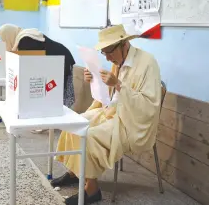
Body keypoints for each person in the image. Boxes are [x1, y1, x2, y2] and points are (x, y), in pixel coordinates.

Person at [51, 24, 162, 205]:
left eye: (109, 51)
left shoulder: (147, 63)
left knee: (89, 136)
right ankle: (76, 172)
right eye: (104, 53)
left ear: (123, 44)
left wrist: (118, 84)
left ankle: (92, 189)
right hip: (111, 110)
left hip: (131, 120)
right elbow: (109, 96)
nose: (108, 57)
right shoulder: (117, 61)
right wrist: (94, 79)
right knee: (75, 123)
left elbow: (148, 106)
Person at [0, 24, 76, 108]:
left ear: (8, 35)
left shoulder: (25, 40)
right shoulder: (25, 36)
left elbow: (30, 66)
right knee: (56, 94)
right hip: (59, 59)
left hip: (61, 60)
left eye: (3, 40)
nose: (3, 43)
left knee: (59, 94)